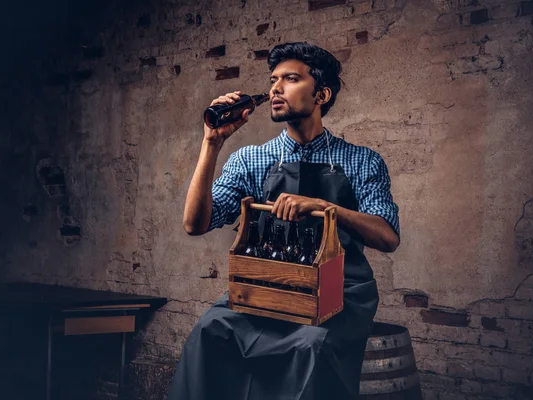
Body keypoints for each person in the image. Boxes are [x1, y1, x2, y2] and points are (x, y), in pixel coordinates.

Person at [168, 42, 400, 400]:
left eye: (291, 79)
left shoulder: (362, 161)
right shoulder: (251, 159)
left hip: (340, 292)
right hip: (268, 289)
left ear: (321, 94)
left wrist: (323, 206)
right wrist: (211, 144)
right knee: (210, 328)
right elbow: (194, 224)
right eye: (273, 80)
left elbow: (387, 237)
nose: (275, 88)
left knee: (311, 345)